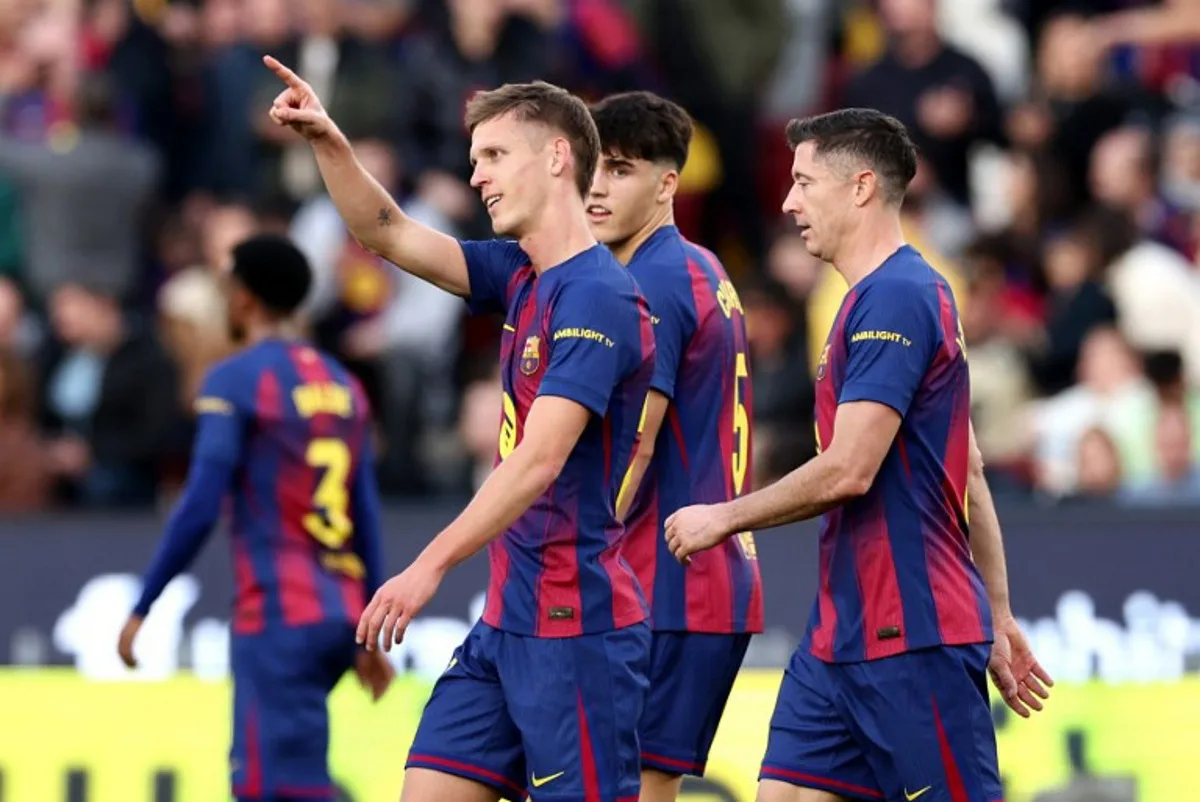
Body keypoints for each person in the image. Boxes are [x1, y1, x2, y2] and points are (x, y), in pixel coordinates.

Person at [264, 58, 657, 802]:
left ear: (557, 157)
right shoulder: (519, 273)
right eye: (474, 160)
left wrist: (428, 567)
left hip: (577, 629)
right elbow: (387, 231)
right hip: (506, 622)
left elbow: (539, 460)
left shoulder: (600, 295)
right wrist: (327, 141)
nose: (477, 176)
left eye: (495, 156)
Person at [664, 108, 1054, 802]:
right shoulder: (870, 299)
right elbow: (969, 472)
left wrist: (725, 517)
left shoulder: (899, 297)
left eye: (805, 182)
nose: (788, 202)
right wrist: (996, 610)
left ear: (862, 187)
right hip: (838, 640)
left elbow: (850, 468)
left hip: (911, 636)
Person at [117, 234, 395, 802]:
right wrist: (369, 631)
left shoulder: (235, 379)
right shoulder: (343, 386)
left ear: (243, 298)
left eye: (226, 289)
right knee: (288, 777)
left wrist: (144, 604)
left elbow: (199, 503)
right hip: (340, 614)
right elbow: (364, 512)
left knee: (268, 787)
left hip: (277, 614)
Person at [586, 90, 763, 802]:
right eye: (593, 167)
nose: (597, 187)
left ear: (667, 184)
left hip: (667, 577)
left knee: (633, 786)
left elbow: (636, 441)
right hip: (704, 575)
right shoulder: (701, 266)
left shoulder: (650, 279)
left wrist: (577, 548)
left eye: (621, 170)